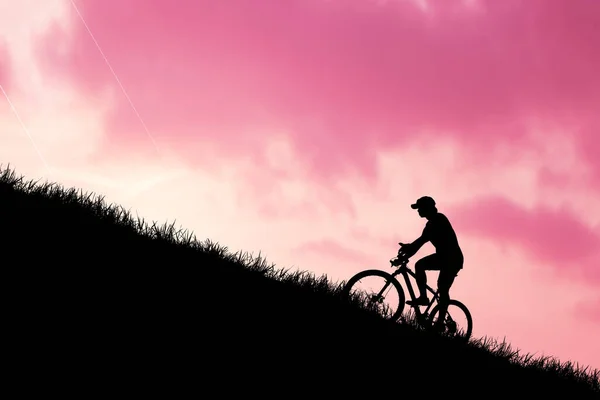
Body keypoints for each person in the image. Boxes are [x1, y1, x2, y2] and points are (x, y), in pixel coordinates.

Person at [397, 196, 464, 329]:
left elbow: (420, 242)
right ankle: (424, 297)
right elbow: (420, 242)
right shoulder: (429, 225)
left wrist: (409, 250)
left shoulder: (439, 219)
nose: (418, 211)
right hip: (443, 257)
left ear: (427, 208)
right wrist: (407, 252)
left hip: (453, 259)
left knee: (443, 288)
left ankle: (439, 322)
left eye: (420, 208)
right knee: (419, 265)